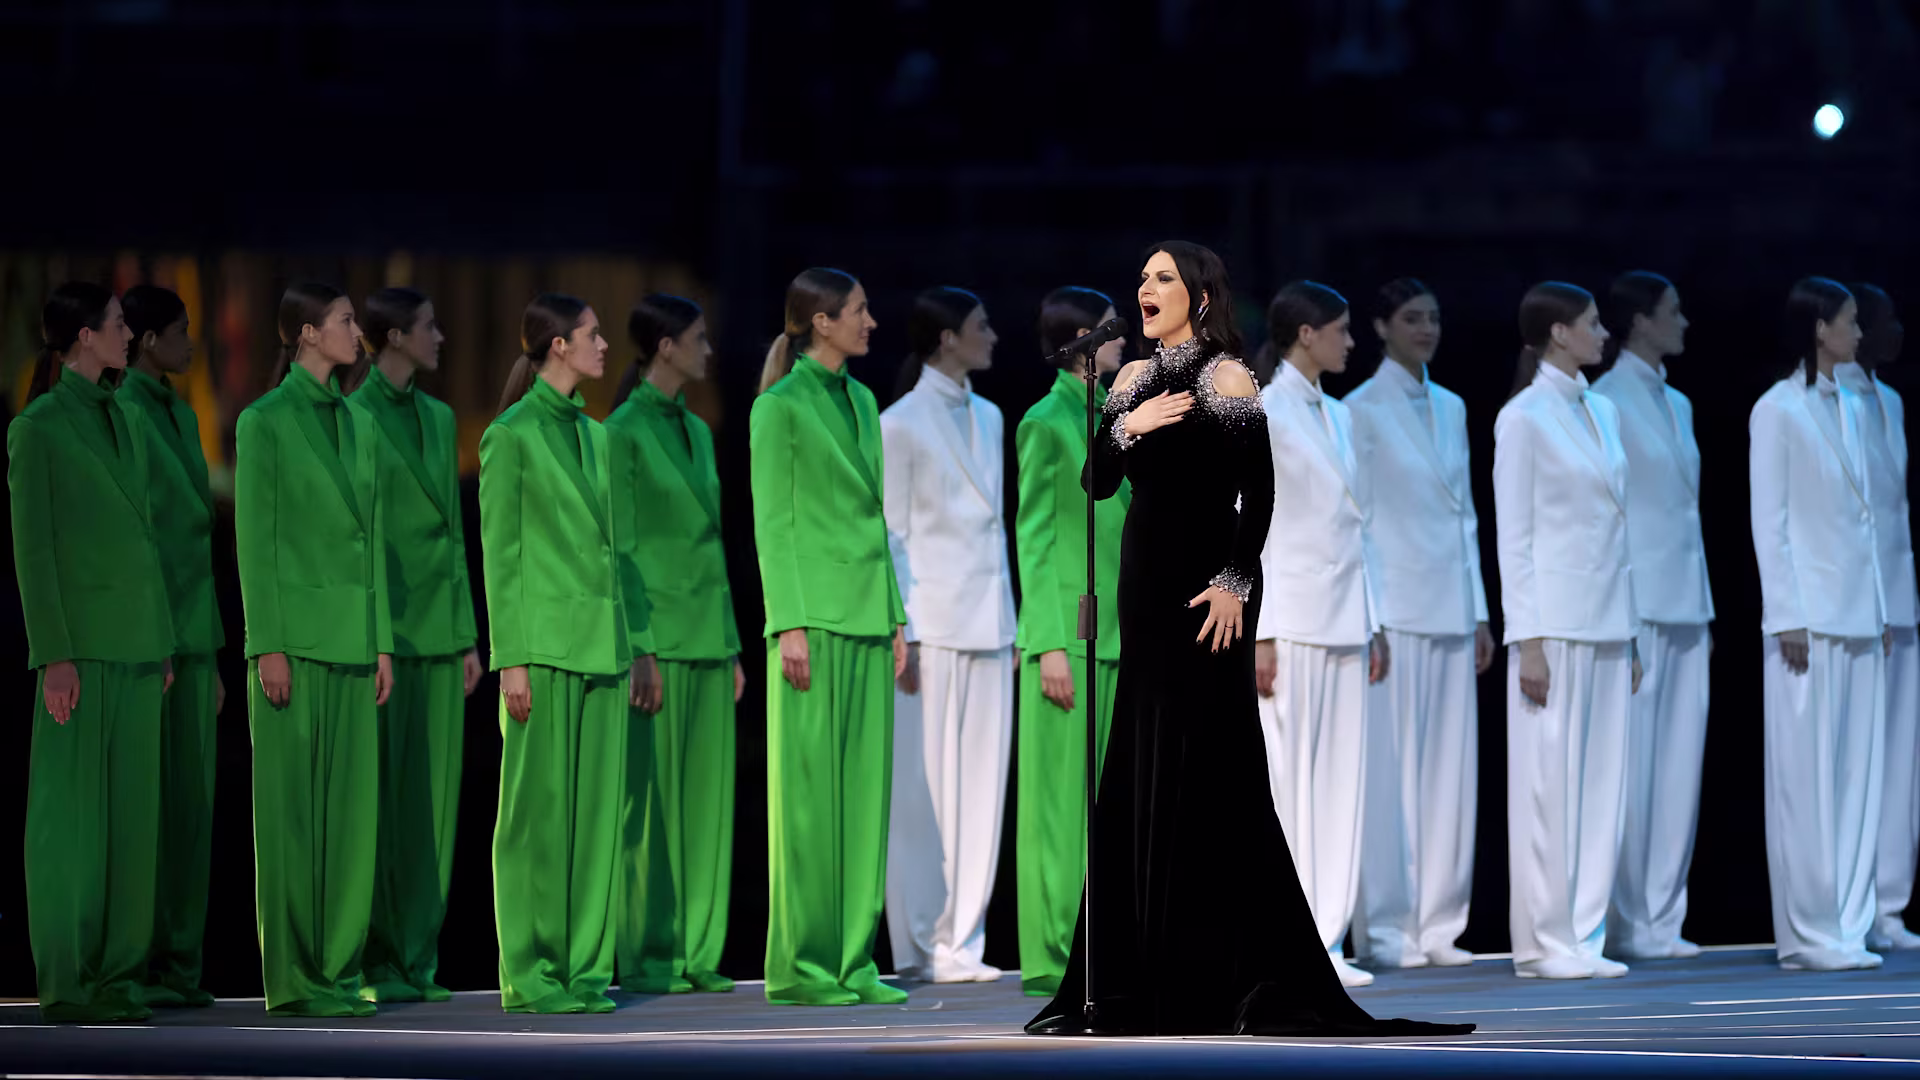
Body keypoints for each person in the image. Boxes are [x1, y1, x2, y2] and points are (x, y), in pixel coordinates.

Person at [1027, 241, 1470, 1037]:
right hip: (1144, 593)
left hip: (1212, 595)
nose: (1146, 287)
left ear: (1198, 296)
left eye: (1163, 277)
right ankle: (1128, 984)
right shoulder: (1127, 381)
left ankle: (1228, 973)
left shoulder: (1228, 377)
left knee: (1214, 769)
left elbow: (1258, 491)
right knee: (1140, 763)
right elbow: (1097, 483)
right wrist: (1126, 428)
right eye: (1143, 276)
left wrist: (1236, 581)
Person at [482, 293, 661, 1013]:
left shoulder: (598, 435)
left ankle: (585, 970)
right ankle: (531, 973)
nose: (604, 345)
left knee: (594, 821)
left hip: (603, 647)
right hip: (545, 650)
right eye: (592, 334)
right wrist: (512, 659)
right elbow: (502, 556)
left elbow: (618, 553)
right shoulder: (510, 435)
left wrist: (636, 646)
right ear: (557, 345)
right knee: (536, 819)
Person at [12, 283, 174, 1022]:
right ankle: (69, 978)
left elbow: (147, 537)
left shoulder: (127, 415)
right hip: (79, 652)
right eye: (116, 325)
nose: (128, 335)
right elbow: (34, 551)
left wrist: (163, 638)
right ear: (83, 336)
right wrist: (54, 654)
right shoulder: (38, 428)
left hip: (139, 643)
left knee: (133, 823)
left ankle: (119, 975)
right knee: (72, 822)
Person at [753, 267, 911, 1006]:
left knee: (863, 798)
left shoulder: (864, 399)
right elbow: (774, 521)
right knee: (809, 798)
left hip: (868, 613)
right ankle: (802, 965)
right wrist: (787, 621)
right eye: (858, 310)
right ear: (821, 321)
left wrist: (896, 613)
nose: (870, 321)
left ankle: (853, 961)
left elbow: (876, 517)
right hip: (813, 618)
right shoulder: (778, 407)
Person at [236, 282, 394, 1015]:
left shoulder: (361, 422)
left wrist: (381, 641)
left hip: (354, 641)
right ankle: (295, 978)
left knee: (351, 820)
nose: (357, 332)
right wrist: (266, 643)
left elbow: (373, 539)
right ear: (306, 333)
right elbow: (255, 543)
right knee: (292, 819)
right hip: (294, 644)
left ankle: (337, 971)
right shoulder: (263, 422)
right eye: (345, 321)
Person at [1493, 281, 1641, 980]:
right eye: (1593, 323)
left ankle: (1585, 935)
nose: (1604, 334)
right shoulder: (1523, 417)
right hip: (1553, 624)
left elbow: (1620, 527)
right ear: (1558, 332)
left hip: (1608, 617)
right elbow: (1514, 536)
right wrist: (1528, 639)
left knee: (1601, 786)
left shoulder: (1604, 410)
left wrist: (1631, 628)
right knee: (1548, 785)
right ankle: (1543, 942)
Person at [1344, 278, 1491, 972]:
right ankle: (1386, 927)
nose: (1426, 329)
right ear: (1382, 327)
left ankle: (1439, 923)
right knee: (1394, 772)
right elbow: (1360, 520)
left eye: (1433, 317)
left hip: (1452, 606)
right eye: (1412, 318)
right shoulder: (1359, 409)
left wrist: (1481, 609)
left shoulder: (1453, 405)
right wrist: (1370, 615)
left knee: (1448, 775)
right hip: (1397, 608)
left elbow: (1466, 515)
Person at [1750, 277, 1890, 971]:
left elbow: (1870, 520)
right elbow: (1769, 519)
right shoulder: (1777, 409)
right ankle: (1808, 932)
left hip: (1861, 611)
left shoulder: (1857, 408)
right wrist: (1788, 615)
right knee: (1807, 780)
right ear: (1819, 329)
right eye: (1850, 322)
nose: (1859, 333)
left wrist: (1883, 607)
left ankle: (1848, 925)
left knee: (1859, 777)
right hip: (1810, 617)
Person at [1251, 281, 1387, 990]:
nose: (1351, 342)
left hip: (1343, 618)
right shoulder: (1262, 410)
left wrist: (1374, 619)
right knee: (1291, 788)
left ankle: (1328, 939)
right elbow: (1249, 525)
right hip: (1294, 621)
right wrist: (1261, 629)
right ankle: (1287, 943)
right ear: (1306, 334)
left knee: (1340, 786)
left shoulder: (1340, 415)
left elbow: (1363, 526)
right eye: (1341, 330)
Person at [880, 286, 1017, 985]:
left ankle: (964, 938)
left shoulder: (990, 415)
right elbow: (892, 533)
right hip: (932, 625)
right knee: (923, 792)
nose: (991, 335)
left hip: (991, 622)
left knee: (981, 791)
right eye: (980, 325)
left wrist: (1012, 620)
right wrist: (900, 624)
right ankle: (920, 942)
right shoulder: (899, 423)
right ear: (946, 339)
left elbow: (996, 529)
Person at [606, 294, 742, 994]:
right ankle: (649, 951)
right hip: (658, 638)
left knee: (705, 804)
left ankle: (696, 952)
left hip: (709, 636)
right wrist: (640, 646)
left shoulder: (695, 427)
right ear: (665, 346)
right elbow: (621, 548)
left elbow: (715, 545)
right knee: (652, 804)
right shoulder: (622, 430)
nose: (708, 350)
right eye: (698, 338)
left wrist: (732, 642)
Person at [349, 287, 482, 1003]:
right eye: (429, 326)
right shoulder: (355, 413)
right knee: (383, 802)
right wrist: (373, 637)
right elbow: (360, 536)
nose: (440, 337)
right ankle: (375, 959)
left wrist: (466, 635)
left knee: (434, 807)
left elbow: (454, 536)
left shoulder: (439, 416)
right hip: (387, 635)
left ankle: (418, 959)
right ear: (395, 336)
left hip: (438, 632)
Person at [1591, 271, 1715, 963]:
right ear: (1640, 321)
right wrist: (1627, 613)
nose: (1684, 322)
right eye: (1673, 311)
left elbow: (1683, 507)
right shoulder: (1606, 400)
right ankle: (1623, 917)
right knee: (1634, 769)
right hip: (1638, 604)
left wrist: (1701, 603)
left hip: (1687, 599)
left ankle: (1662, 918)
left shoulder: (1679, 402)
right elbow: (1611, 517)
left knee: (1677, 770)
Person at [1013, 286, 1131, 998]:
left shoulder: (1116, 413)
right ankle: (1054, 951)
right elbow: (1033, 536)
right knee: (1061, 801)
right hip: (1071, 633)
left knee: (1107, 803)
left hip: (1118, 630)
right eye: (1112, 330)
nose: (1124, 341)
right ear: (1083, 339)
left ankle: (1100, 946)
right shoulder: (1044, 421)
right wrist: (1048, 643)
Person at [117, 284, 226, 1009]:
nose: (191, 343)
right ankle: (141, 960)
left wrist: (209, 651)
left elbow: (197, 539)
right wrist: (154, 637)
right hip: (152, 634)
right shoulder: (124, 411)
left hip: (194, 633)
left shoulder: (182, 414)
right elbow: (140, 537)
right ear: (149, 341)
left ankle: (180, 964)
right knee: (148, 807)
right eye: (181, 332)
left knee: (191, 806)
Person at [1847, 283, 1920, 954]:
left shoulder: (1889, 400)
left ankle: (1888, 905)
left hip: (1900, 600)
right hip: (1854, 607)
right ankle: (1849, 904)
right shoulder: (1827, 402)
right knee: (1858, 760)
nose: (1897, 331)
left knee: (1899, 760)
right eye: (1885, 321)